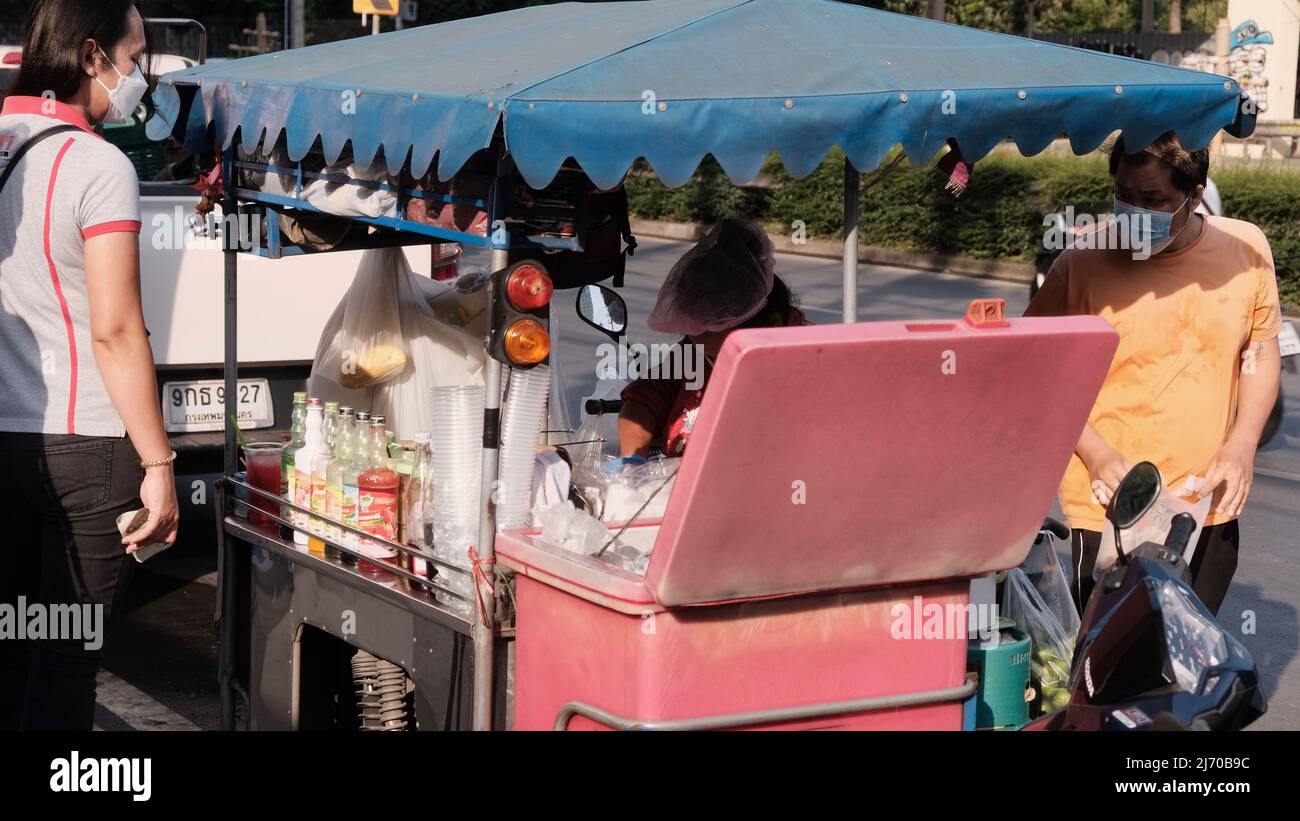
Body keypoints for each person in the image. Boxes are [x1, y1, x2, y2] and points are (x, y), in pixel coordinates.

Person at [0, 0, 180, 731]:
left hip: (8, 443)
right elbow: (114, 328)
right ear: (89, 56)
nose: (137, 77)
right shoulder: (98, 165)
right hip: (88, 449)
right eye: (133, 59)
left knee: (15, 642)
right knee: (67, 656)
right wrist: (160, 462)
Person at [1025, 131, 1282, 616]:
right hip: (1108, 503)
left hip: (1206, 498)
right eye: (1123, 195)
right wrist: (1096, 453)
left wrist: (1243, 443)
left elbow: (1261, 350)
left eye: (1152, 199)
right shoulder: (1081, 263)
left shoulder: (1246, 249)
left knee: (1189, 662)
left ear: (1196, 194)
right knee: (1104, 671)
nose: (1133, 211)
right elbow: (1033, 371)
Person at [617, 219, 808, 460]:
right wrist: (633, 459)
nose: (706, 361)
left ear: (772, 327)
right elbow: (643, 402)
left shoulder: (803, 370)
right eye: (694, 340)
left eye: (718, 356)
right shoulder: (693, 351)